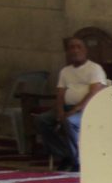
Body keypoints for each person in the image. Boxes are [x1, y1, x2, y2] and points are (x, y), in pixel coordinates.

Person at [32, 37, 107, 172]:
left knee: (69, 121)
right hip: (67, 107)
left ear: (85, 50)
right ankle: (66, 154)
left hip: (88, 109)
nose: (75, 50)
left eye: (78, 47)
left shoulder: (94, 68)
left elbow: (94, 92)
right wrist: (60, 111)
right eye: (71, 47)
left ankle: (76, 161)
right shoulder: (65, 71)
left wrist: (76, 109)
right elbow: (60, 94)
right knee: (42, 120)